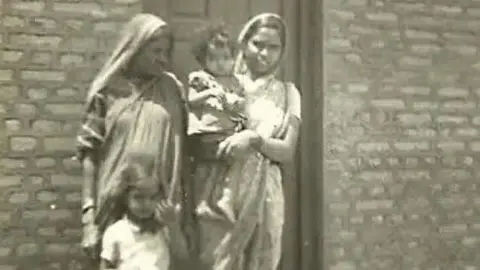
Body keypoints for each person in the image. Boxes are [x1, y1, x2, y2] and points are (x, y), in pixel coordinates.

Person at [75, 13, 190, 267]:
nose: (163, 59)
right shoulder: (108, 90)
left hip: (159, 205)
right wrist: (88, 216)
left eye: (166, 52)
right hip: (115, 201)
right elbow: (89, 153)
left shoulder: (172, 89)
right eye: (156, 51)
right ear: (134, 48)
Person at [192, 13, 302, 270]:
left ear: (282, 52)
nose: (264, 53)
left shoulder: (288, 93)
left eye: (273, 47)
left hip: (265, 193)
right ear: (244, 44)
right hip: (220, 190)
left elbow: (287, 151)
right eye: (258, 44)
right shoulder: (222, 83)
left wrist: (253, 139)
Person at [187, 21, 246, 222]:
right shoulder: (200, 78)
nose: (220, 63)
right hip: (207, 132)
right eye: (213, 58)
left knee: (227, 166)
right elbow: (191, 100)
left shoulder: (235, 82)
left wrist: (235, 103)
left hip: (228, 133)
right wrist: (210, 92)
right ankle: (206, 201)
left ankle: (222, 200)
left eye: (226, 58)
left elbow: (241, 106)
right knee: (206, 167)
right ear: (202, 59)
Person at [100, 163, 188, 270]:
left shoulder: (163, 230)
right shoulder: (116, 231)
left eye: (152, 198)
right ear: (125, 197)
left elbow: (182, 255)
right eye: (138, 197)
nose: (146, 204)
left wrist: (173, 225)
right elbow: (105, 265)